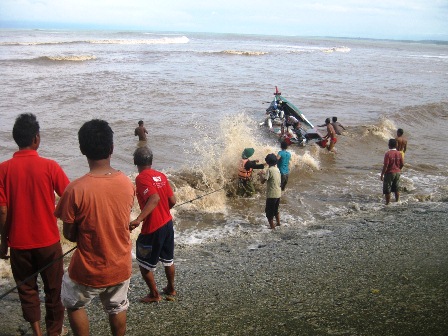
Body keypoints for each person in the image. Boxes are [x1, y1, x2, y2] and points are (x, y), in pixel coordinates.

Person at [54, 119, 135, 336]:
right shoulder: (127, 183)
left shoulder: (75, 189)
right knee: (117, 306)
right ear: (112, 148)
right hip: (120, 264)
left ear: (82, 149)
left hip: (88, 269)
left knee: (73, 303)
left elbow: (69, 234)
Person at [0, 113, 69, 336]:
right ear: (36, 139)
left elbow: (2, 210)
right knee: (54, 290)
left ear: (15, 139)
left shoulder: (3, 169)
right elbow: (69, 197)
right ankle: (54, 332)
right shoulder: (50, 166)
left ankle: (37, 332)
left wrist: (4, 244)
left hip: (19, 244)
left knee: (27, 290)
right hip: (48, 241)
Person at [129, 146, 177, 303]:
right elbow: (172, 201)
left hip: (153, 227)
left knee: (143, 263)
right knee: (168, 259)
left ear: (136, 162)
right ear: (151, 160)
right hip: (168, 223)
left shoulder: (141, 178)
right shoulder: (161, 176)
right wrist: (163, 211)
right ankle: (171, 288)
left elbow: (154, 198)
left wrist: (138, 219)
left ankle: (154, 294)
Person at [258, 154, 282, 230]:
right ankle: (278, 223)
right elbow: (272, 176)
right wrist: (265, 174)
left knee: (269, 212)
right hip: (278, 193)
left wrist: (260, 175)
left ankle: (272, 227)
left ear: (268, 162)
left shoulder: (269, 170)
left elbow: (262, 181)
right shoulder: (277, 169)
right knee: (275, 210)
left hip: (272, 195)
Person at [380, 138, 404, 205]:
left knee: (387, 189)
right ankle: (397, 201)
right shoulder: (399, 153)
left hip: (389, 173)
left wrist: (382, 174)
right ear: (396, 145)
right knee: (396, 188)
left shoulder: (388, 154)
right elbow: (402, 164)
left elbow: (386, 165)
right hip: (397, 172)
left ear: (389, 145)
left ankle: (387, 203)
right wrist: (399, 169)